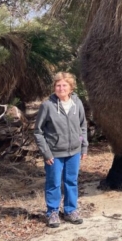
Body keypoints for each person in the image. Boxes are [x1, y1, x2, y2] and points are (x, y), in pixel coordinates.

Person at [34, 72, 88, 228]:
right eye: (58, 85)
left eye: (64, 85)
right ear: (54, 88)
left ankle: (71, 211)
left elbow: (82, 126)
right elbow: (38, 131)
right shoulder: (47, 106)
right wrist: (46, 153)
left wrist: (84, 147)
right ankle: (52, 212)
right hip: (54, 154)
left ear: (71, 87)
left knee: (71, 181)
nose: (61, 88)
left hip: (74, 152)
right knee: (54, 183)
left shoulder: (77, 104)